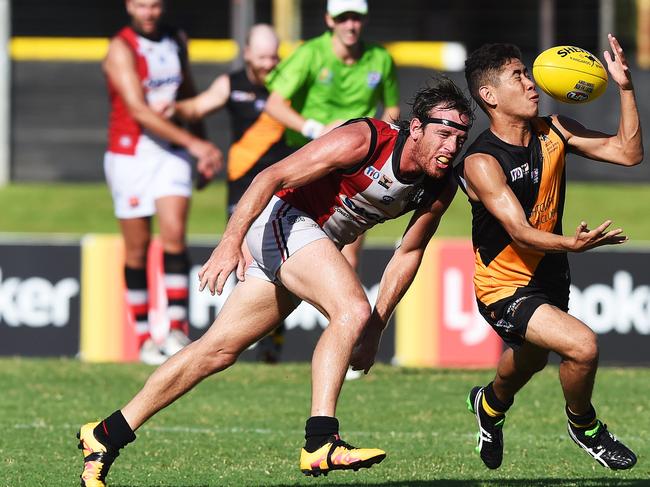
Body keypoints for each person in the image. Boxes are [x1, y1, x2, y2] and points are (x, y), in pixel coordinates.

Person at [76, 78, 473, 486]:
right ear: (417, 128)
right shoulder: (365, 140)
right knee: (350, 308)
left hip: (308, 245)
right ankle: (321, 440)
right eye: (443, 134)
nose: (450, 147)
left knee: (216, 350)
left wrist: (377, 325)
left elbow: (408, 252)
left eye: (459, 139)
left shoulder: (439, 186)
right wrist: (230, 242)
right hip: (283, 221)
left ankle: (106, 434)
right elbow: (272, 176)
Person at [455, 35, 642, 471]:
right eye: (517, 76)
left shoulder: (554, 130)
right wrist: (571, 243)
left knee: (532, 358)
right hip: (503, 285)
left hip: (550, 274)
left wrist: (625, 88)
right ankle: (586, 426)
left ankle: (489, 405)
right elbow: (519, 232)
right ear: (489, 95)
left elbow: (629, 153)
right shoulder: (481, 161)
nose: (531, 83)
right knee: (582, 346)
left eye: (528, 74)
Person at [102, 0, 222, 365]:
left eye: (154, 5)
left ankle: (175, 329)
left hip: (171, 153)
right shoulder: (120, 48)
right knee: (137, 248)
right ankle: (143, 338)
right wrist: (196, 144)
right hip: (130, 155)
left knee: (174, 235)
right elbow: (138, 110)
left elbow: (187, 92)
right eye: (141, 5)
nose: (149, 12)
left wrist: (198, 144)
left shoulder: (176, 40)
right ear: (129, 6)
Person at [170, 23, 291, 363]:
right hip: (243, 188)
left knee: (276, 262)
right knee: (246, 260)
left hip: (285, 187)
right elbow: (198, 107)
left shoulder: (290, 84)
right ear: (248, 54)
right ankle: (242, 339)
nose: (270, 63)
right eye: (263, 56)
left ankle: (268, 337)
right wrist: (172, 109)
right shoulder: (231, 83)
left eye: (274, 56)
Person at [265, 0, 400, 271]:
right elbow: (274, 104)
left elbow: (392, 108)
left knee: (348, 255)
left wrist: (380, 148)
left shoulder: (380, 58)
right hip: (310, 160)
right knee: (292, 249)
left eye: (356, 18)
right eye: (343, 18)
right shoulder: (310, 53)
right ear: (329, 20)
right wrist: (317, 131)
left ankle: (341, 312)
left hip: (355, 166)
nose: (351, 25)